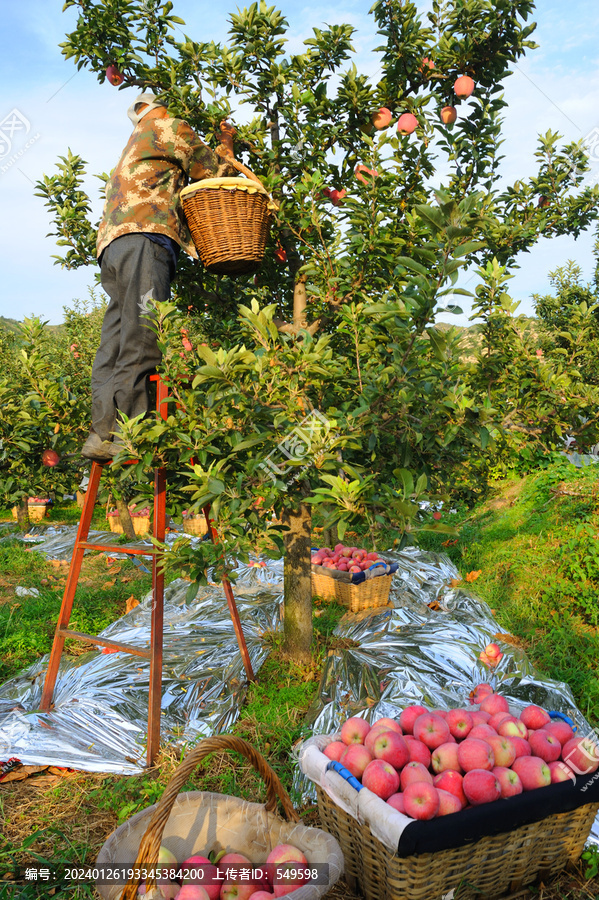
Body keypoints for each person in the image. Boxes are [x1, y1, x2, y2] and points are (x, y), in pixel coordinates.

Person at [81, 93, 235, 462]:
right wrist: (227, 143)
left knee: (115, 340)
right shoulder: (169, 128)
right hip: (147, 238)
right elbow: (215, 172)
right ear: (159, 108)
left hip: (112, 247)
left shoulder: (131, 144)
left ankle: (101, 432)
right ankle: (132, 433)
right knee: (144, 331)